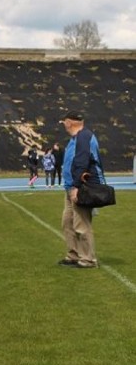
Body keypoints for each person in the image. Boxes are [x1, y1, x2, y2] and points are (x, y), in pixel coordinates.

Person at [59, 111, 104, 269]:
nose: (64, 125)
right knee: (68, 223)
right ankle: (74, 255)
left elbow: (82, 162)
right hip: (70, 187)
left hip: (81, 188)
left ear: (69, 122)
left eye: (64, 122)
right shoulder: (75, 139)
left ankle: (87, 259)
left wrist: (77, 187)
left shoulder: (83, 137)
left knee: (81, 224)